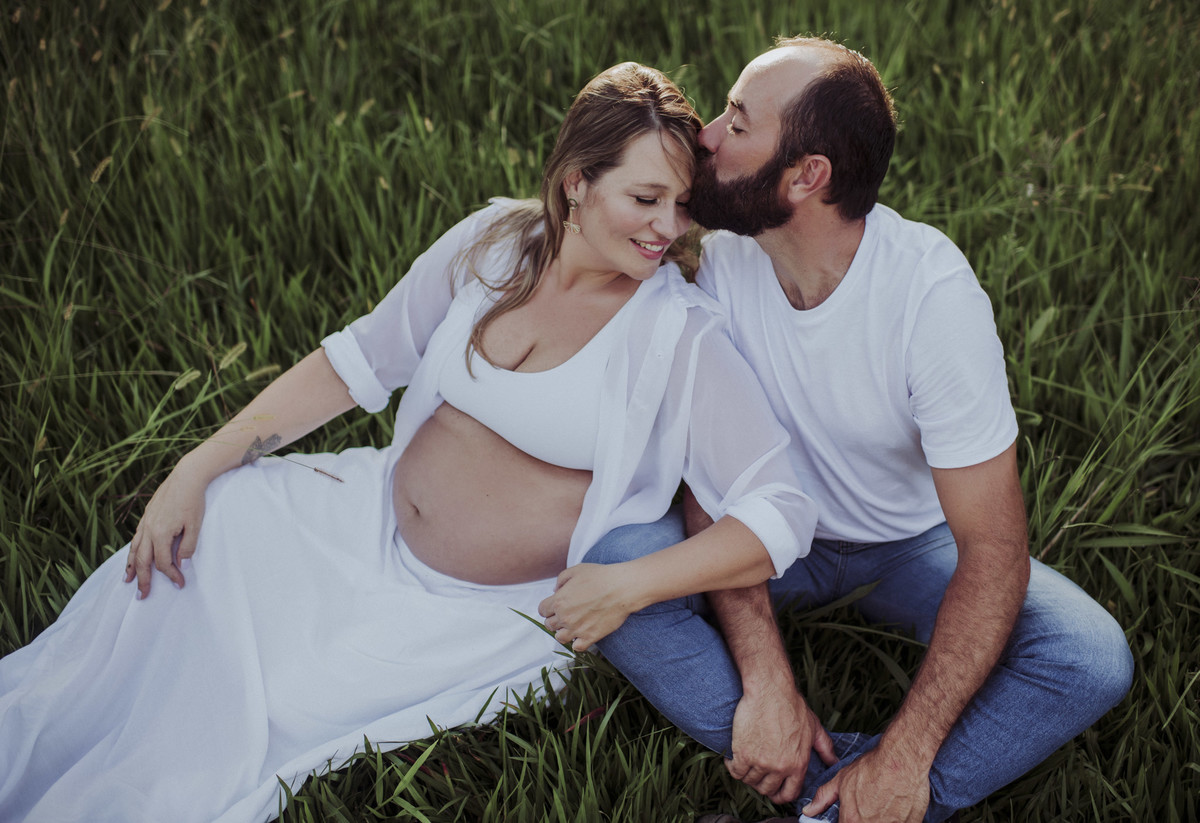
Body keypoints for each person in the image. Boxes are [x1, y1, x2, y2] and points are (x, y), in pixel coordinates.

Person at [0, 62, 819, 823]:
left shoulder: (678, 332)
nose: (667, 228)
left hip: (465, 612)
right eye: (644, 200)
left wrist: (629, 584)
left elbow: (781, 510)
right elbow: (358, 360)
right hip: (356, 522)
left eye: (680, 204)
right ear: (577, 181)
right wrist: (197, 461)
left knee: (263, 709)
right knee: (174, 573)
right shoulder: (494, 242)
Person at [584, 38, 1134, 823]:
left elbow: (993, 549)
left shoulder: (930, 301)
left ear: (808, 176)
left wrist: (908, 749)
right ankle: (838, 789)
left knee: (1089, 655)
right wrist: (768, 679)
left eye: (738, 123)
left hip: (908, 544)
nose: (706, 134)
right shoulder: (726, 259)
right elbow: (713, 487)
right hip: (762, 536)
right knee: (615, 565)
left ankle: (860, 797)